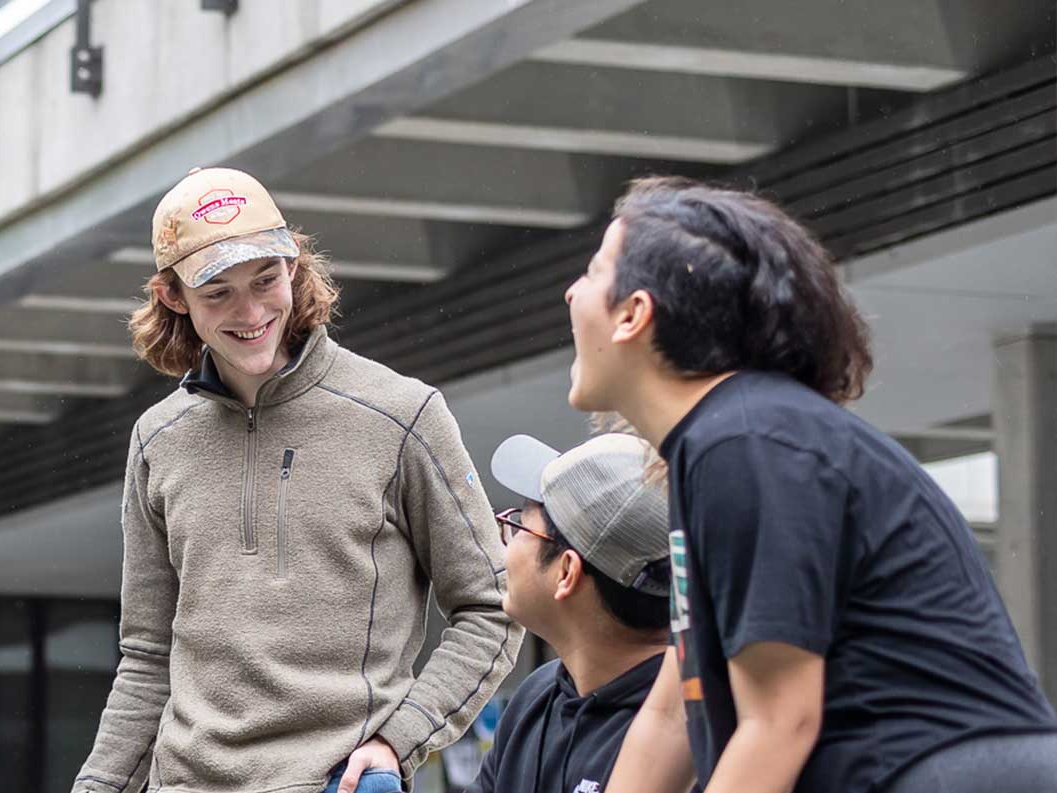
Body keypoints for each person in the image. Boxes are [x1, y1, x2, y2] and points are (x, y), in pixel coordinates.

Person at [563, 177, 1057, 793]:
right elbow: (669, 718)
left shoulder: (746, 443)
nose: (571, 293)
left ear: (634, 314)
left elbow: (780, 720)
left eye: (591, 272)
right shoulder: (727, 441)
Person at [73, 167, 524, 793]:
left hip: (335, 782)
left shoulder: (402, 414)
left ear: (295, 267)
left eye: (266, 280)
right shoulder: (158, 439)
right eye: (218, 292)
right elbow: (148, 657)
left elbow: (492, 607)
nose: (251, 311)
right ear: (174, 296)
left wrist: (402, 739)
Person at [471, 432, 673, 793]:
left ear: (566, 572)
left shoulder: (680, 732)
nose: (505, 544)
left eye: (518, 525)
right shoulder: (538, 696)